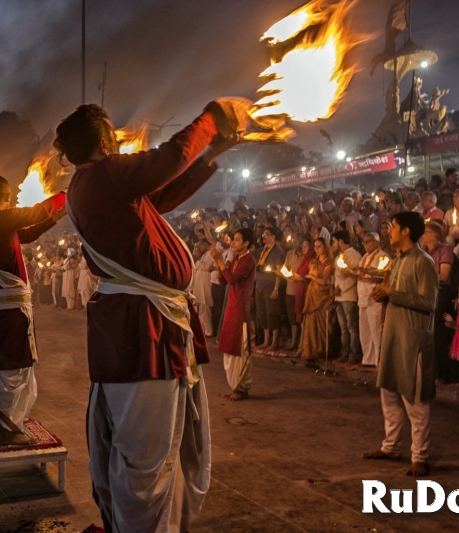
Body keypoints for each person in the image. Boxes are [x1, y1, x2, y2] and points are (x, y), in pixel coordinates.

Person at [59, 100, 242, 531]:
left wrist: (210, 158)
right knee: (146, 459)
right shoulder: (102, 176)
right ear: (104, 139)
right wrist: (211, 118)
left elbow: (161, 193)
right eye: (113, 135)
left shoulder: (99, 184)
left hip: (144, 321)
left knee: (150, 454)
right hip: (141, 327)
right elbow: (171, 157)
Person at [0, 174, 66, 445]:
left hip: (5, 306)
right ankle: (8, 428)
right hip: (10, 307)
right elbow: (38, 211)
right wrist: (67, 194)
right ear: (10, 196)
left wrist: (54, 219)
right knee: (14, 365)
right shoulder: (0, 218)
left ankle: (0, 424)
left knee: (4, 364)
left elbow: (27, 233)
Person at [362, 212, 438, 477]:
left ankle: (420, 456)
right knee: (389, 395)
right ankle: (391, 446)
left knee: (415, 401)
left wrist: (393, 294)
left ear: (406, 231)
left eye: (392, 227)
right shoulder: (395, 261)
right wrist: (383, 295)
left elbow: (428, 303)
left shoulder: (423, 262)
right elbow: (394, 295)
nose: (388, 231)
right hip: (392, 336)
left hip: (412, 339)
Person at [212, 228, 257, 401]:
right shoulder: (237, 259)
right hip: (232, 305)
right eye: (234, 239)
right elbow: (224, 281)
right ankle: (234, 386)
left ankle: (242, 388)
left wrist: (220, 261)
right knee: (229, 347)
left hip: (240, 308)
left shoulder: (248, 260)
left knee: (239, 348)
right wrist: (218, 265)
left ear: (246, 243)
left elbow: (232, 280)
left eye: (237, 240)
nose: (233, 242)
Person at [420, 220, 458, 383]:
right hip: (426, 292)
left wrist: (425, 278)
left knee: (437, 333)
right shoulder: (423, 250)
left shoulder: (445, 250)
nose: (422, 236)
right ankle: (430, 371)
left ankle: (444, 373)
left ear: (434, 234)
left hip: (440, 293)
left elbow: (444, 276)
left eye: (425, 232)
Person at [297, 237, 335, 361]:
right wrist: (298, 278)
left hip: (323, 297)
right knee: (310, 323)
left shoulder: (328, 263)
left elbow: (324, 281)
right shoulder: (313, 261)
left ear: (325, 247)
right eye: (315, 247)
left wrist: (312, 277)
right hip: (312, 294)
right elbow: (308, 277)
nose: (316, 249)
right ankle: (309, 351)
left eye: (319, 246)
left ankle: (322, 350)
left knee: (323, 325)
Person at [355, 232, 389, 368]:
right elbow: (360, 276)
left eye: (369, 241)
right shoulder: (364, 257)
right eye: (364, 241)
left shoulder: (383, 256)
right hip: (363, 299)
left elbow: (381, 276)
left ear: (377, 242)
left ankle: (378, 361)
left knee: (376, 331)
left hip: (375, 299)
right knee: (365, 331)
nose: (366, 244)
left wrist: (361, 272)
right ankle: (368, 359)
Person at [332, 230, 362, 366]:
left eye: (334, 241)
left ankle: (354, 354)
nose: (333, 244)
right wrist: (336, 288)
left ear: (341, 241)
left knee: (352, 328)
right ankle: (345, 353)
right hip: (339, 297)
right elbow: (337, 276)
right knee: (343, 327)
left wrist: (341, 288)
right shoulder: (339, 258)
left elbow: (355, 277)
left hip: (349, 296)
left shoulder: (354, 255)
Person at [254, 226, 285, 350]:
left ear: (273, 236)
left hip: (270, 286)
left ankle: (274, 342)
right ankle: (266, 341)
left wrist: (276, 288)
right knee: (262, 314)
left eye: (266, 233)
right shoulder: (262, 250)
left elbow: (279, 271)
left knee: (272, 313)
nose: (263, 236)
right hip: (259, 285)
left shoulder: (278, 251)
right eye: (263, 233)